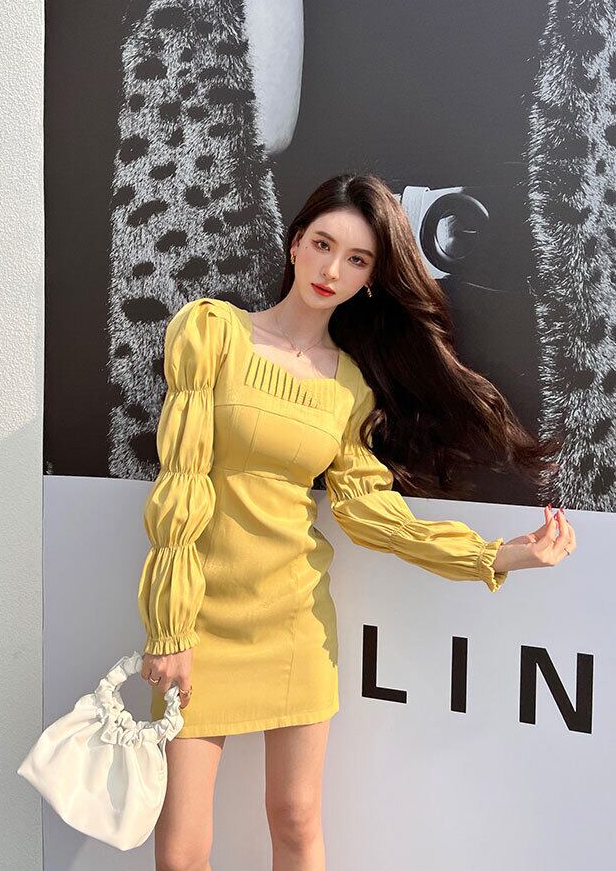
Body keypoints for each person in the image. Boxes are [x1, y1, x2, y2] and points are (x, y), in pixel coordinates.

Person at [136, 172, 576, 870]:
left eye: (357, 259)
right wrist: (170, 630)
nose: (331, 270)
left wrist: (492, 556)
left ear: (371, 279)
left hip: (295, 620)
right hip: (200, 619)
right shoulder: (213, 332)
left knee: (297, 818)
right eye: (322, 244)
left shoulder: (350, 386)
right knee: (182, 849)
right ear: (294, 242)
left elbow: (369, 511)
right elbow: (181, 484)